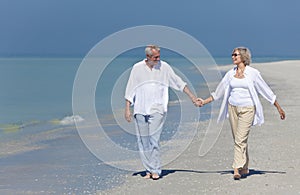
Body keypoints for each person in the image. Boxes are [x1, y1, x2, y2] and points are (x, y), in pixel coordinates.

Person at [198, 47, 285, 180]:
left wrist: (278, 107)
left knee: (240, 139)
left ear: (243, 57)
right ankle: (245, 167)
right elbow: (219, 92)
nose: (233, 57)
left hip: (248, 109)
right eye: (232, 55)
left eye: (235, 55)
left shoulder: (253, 73)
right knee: (239, 140)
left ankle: (236, 168)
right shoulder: (230, 74)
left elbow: (265, 90)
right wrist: (204, 102)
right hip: (233, 108)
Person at [124, 45, 200, 180]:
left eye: (159, 56)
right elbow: (131, 88)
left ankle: (156, 170)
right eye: (155, 57)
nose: (158, 59)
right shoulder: (137, 68)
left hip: (157, 109)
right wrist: (127, 109)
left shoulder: (164, 67)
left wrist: (192, 97)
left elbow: (178, 82)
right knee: (143, 141)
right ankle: (148, 169)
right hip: (140, 109)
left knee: (154, 139)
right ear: (148, 57)